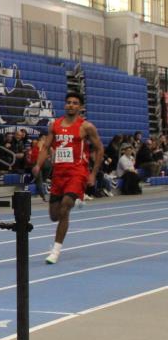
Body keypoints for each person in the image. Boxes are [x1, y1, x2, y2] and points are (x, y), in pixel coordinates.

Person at [33, 92, 103, 265]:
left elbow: (99, 149)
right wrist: (38, 165)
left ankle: (55, 251)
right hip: (59, 173)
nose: (71, 105)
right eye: (69, 102)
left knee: (65, 208)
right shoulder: (55, 125)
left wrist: (93, 173)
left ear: (80, 107)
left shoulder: (86, 127)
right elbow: (46, 147)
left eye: (75, 103)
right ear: (65, 105)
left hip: (77, 172)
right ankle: (76, 199)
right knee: (54, 215)